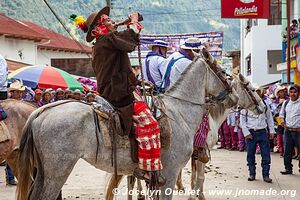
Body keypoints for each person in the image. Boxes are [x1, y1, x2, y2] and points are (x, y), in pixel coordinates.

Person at [84, 6, 165, 186]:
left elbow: (121, 65)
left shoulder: (106, 41)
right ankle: (146, 168)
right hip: (118, 94)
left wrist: (137, 83)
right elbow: (127, 41)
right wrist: (134, 22)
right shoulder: (107, 40)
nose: (113, 21)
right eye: (108, 20)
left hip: (118, 89)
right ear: (100, 26)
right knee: (150, 125)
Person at [240, 87, 275, 183]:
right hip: (251, 133)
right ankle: (252, 173)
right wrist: (246, 133)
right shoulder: (246, 105)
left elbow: (269, 118)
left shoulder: (265, 104)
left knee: (266, 155)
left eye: (258, 92)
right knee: (250, 155)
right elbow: (242, 121)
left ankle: (266, 175)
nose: (256, 94)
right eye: (254, 92)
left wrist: (271, 131)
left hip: (262, 132)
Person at [280, 84, 300, 175]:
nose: (293, 94)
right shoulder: (286, 103)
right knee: (287, 150)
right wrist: (283, 122)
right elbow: (281, 115)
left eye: (295, 92)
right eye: (291, 92)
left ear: (298, 93)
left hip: (298, 131)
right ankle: (288, 168)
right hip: (288, 131)